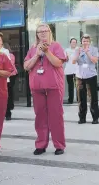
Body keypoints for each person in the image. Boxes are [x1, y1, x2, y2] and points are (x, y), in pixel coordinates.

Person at [24, 23, 67, 156]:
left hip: (54, 86)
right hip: (37, 88)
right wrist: (37, 55)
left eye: (45, 31)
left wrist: (47, 52)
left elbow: (58, 63)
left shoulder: (56, 46)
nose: (43, 33)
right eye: (40, 31)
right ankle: (41, 144)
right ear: (36, 34)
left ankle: (59, 145)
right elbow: (26, 66)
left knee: (56, 116)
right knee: (40, 117)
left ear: (49, 32)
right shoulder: (32, 48)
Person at [72, 34, 99, 124]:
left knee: (93, 98)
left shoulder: (94, 49)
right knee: (81, 98)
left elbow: (95, 60)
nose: (85, 43)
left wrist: (87, 52)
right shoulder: (77, 49)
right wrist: (78, 53)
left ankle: (95, 117)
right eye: (84, 41)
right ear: (81, 42)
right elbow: (73, 61)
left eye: (87, 41)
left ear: (90, 42)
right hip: (80, 76)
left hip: (91, 75)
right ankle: (82, 117)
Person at [0, 33, 17, 121]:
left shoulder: (5, 51)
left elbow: (7, 64)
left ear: (2, 42)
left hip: (3, 77)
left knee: (5, 96)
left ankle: (7, 113)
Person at [64, 38, 78, 104]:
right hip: (69, 69)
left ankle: (79, 99)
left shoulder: (78, 50)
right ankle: (70, 100)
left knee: (78, 85)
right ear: (70, 43)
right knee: (70, 85)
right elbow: (65, 59)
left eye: (75, 42)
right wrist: (66, 57)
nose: (74, 43)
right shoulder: (67, 50)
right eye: (72, 42)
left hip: (77, 70)